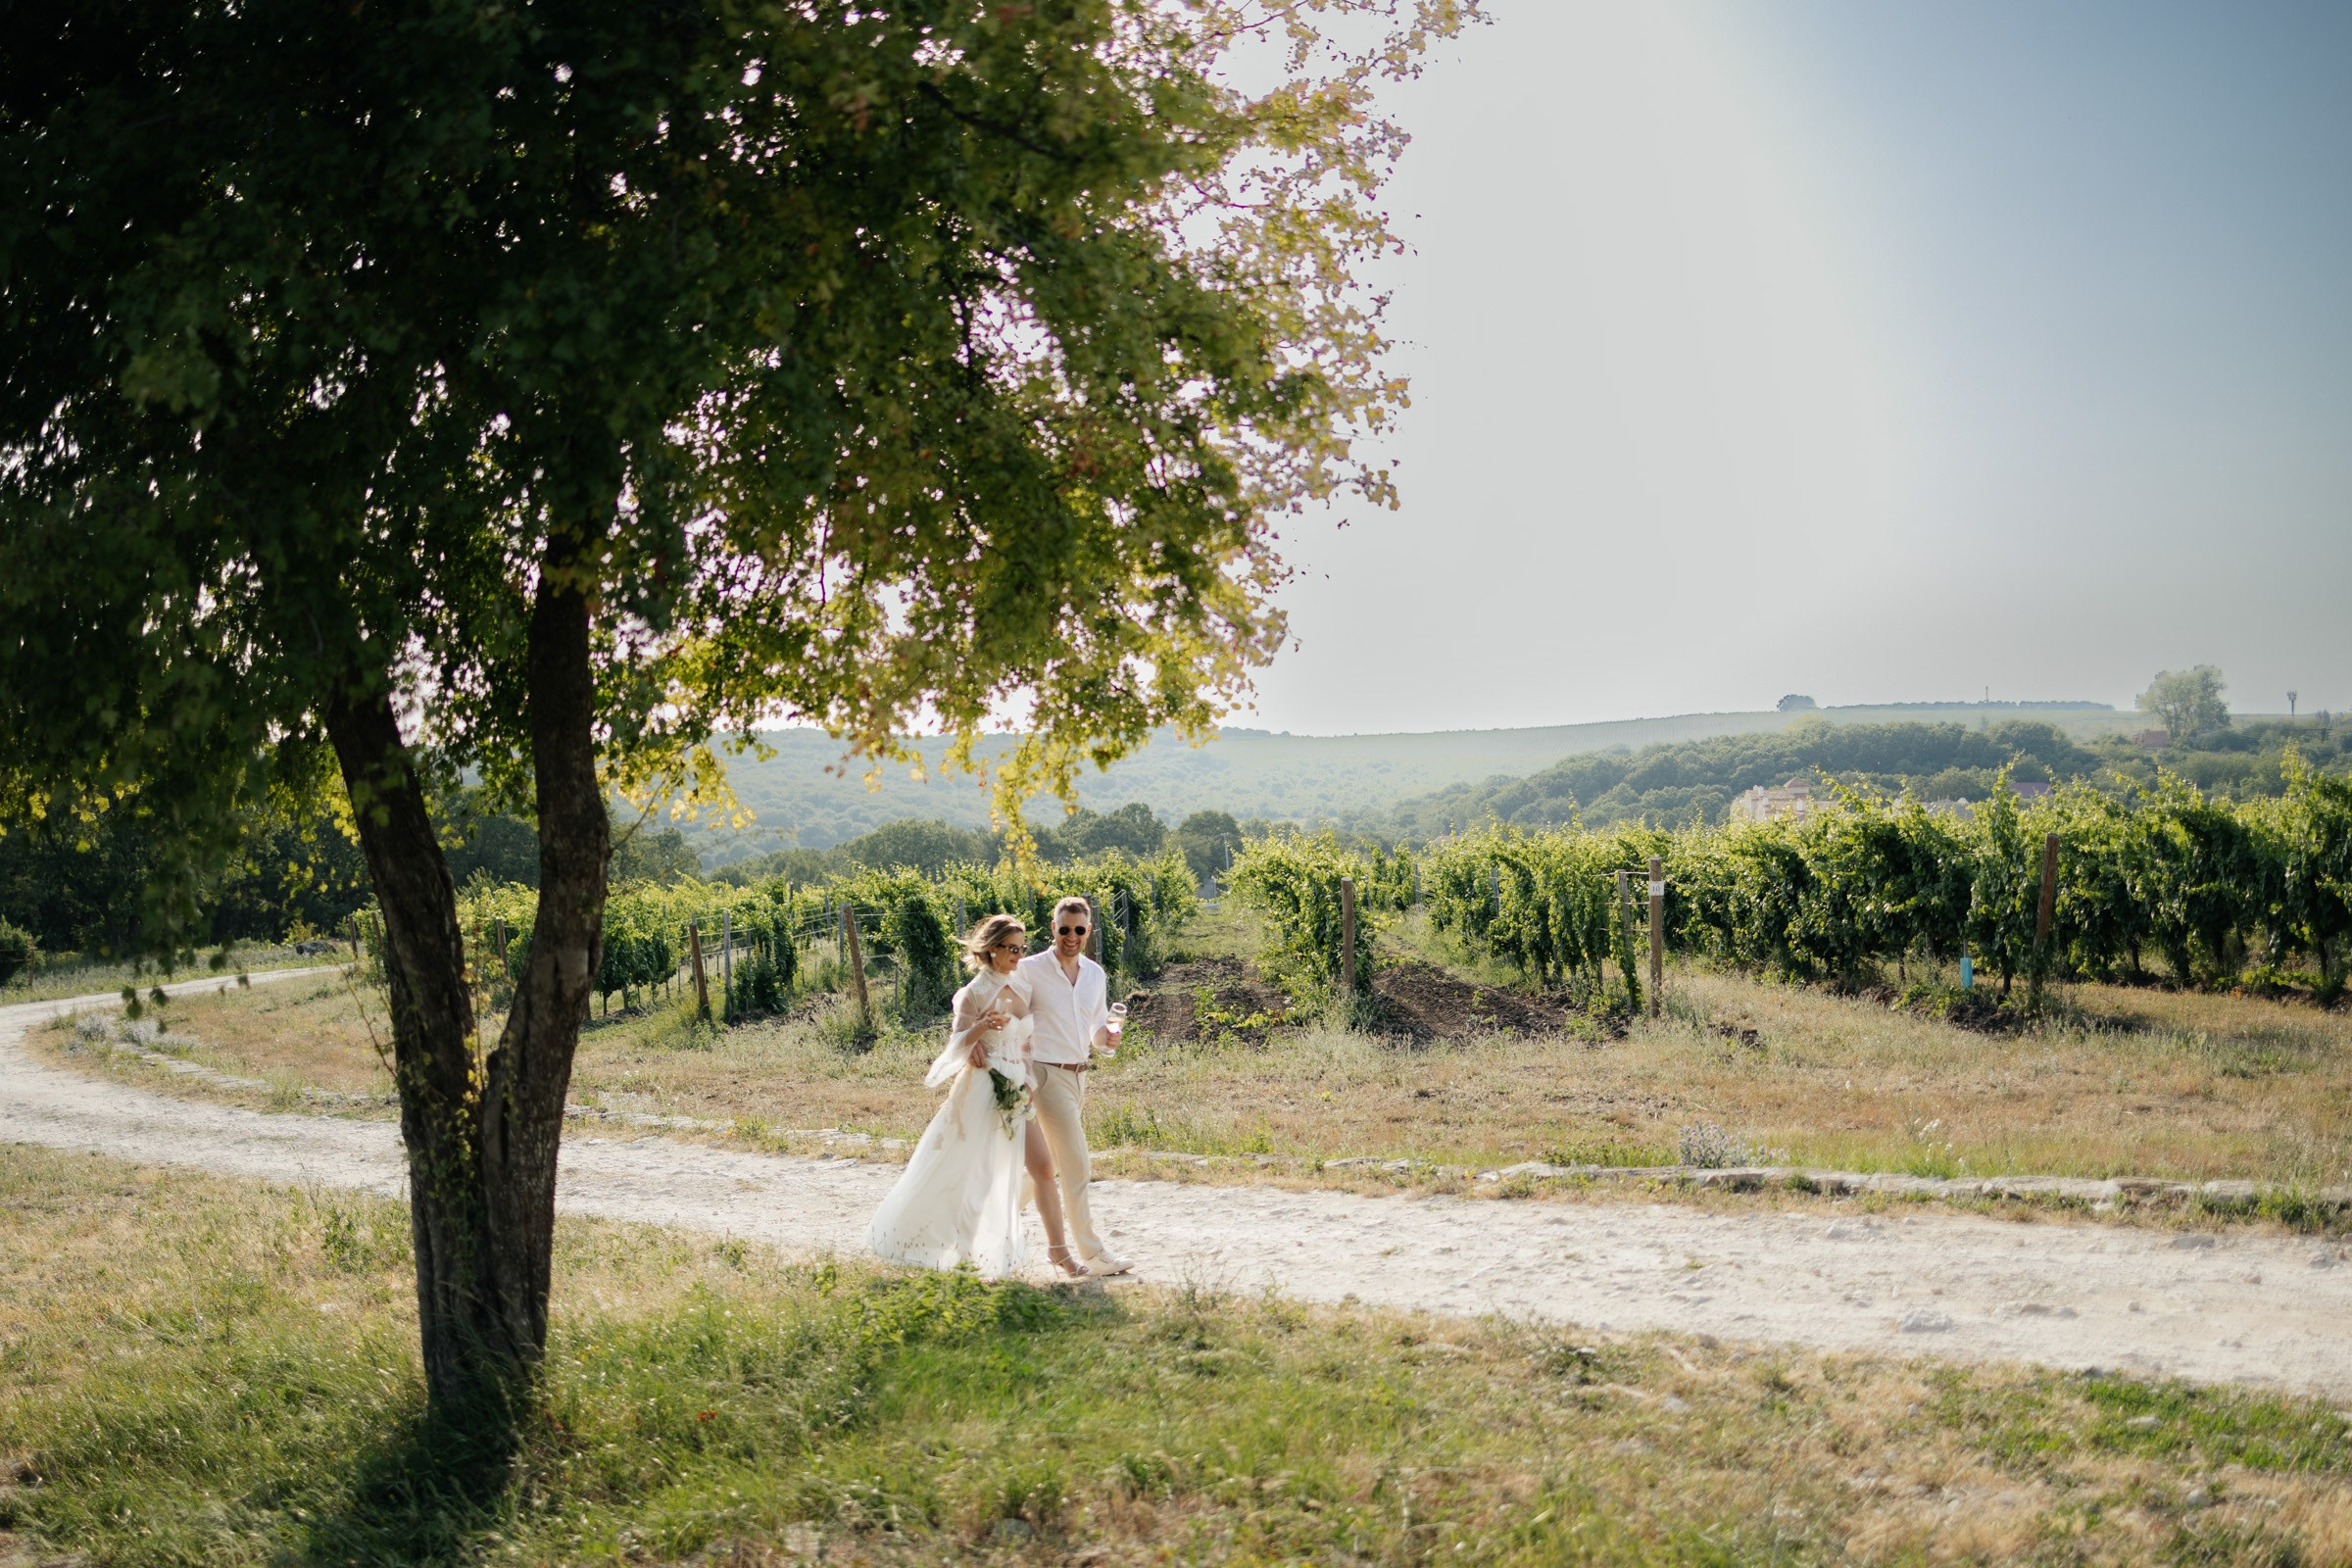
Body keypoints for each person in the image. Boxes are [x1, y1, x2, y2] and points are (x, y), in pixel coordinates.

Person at [868, 914, 1091, 1278]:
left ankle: (1059, 1252)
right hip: (983, 1090)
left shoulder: (1023, 990)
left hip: (1017, 1090)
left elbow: (1027, 1046)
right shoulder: (972, 993)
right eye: (1012, 949)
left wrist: (1029, 1084)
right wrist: (981, 1027)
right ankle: (961, 1249)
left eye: (1022, 948)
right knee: (978, 1172)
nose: (1019, 955)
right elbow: (955, 1045)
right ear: (992, 950)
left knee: (1043, 1168)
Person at [1015, 896, 1135, 1275]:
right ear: (1053, 928)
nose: (1071, 936)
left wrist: (1107, 1040)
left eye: (1078, 930)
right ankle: (1092, 1253)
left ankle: (979, 1225)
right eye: (1064, 928)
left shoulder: (1095, 975)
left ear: (1088, 931)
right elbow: (1007, 1012)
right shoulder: (1029, 969)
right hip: (1044, 1075)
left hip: (1079, 1075)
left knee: (1040, 1170)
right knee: (1076, 1166)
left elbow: (1096, 1032)